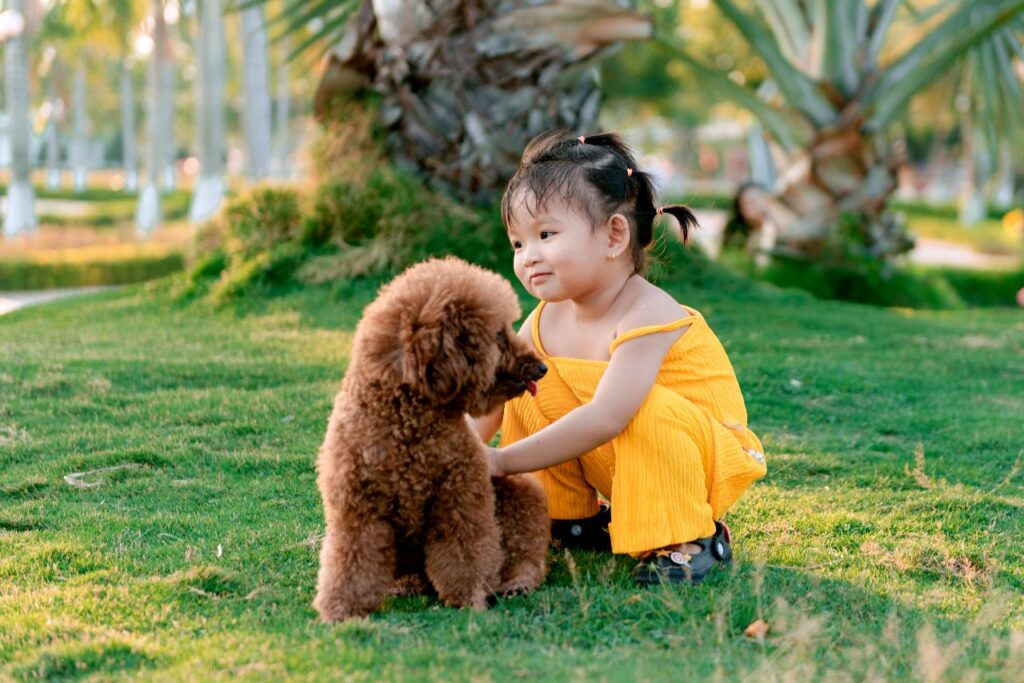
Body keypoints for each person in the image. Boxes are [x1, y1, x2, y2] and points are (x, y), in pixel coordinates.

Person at [469, 131, 767, 586]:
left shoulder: (647, 312)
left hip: (699, 457)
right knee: (525, 383)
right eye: (517, 243)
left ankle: (691, 538)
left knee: (643, 408)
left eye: (546, 234)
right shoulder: (545, 318)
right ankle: (563, 516)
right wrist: (459, 451)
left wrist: (501, 462)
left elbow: (608, 416)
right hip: (620, 453)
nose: (529, 257)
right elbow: (495, 396)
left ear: (614, 235)